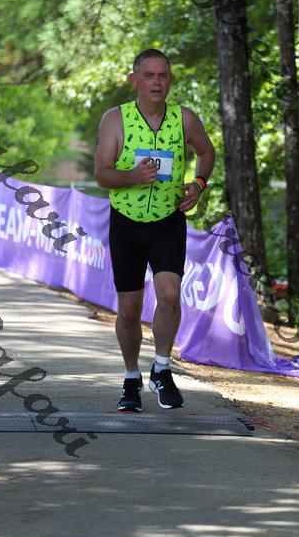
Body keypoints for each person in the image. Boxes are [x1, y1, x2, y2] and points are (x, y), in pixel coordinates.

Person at [94, 48, 215, 411]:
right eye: (149, 76)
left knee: (170, 295)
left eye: (163, 75)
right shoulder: (115, 119)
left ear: (170, 80)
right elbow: (101, 174)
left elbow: (206, 153)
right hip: (126, 222)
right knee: (130, 309)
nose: (157, 82)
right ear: (135, 80)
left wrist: (198, 184)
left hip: (167, 220)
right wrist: (133, 176)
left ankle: (161, 368)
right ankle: (131, 377)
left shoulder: (184, 119)